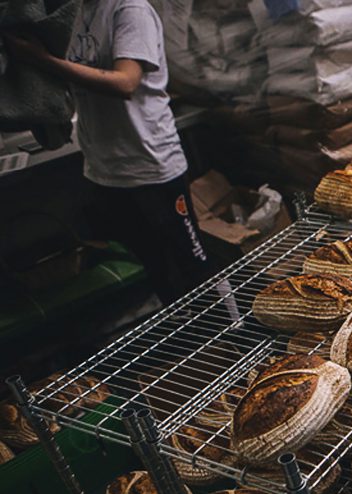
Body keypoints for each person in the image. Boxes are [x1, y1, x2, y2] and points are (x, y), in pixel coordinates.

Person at [3, 0, 212, 305]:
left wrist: (41, 60)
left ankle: (235, 336)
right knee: (155, 268)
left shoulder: (130, 10)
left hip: (151, 166)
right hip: (105, 171)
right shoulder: (73, 15)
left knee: (193, 264)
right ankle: (190, 340)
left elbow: (125, 82)